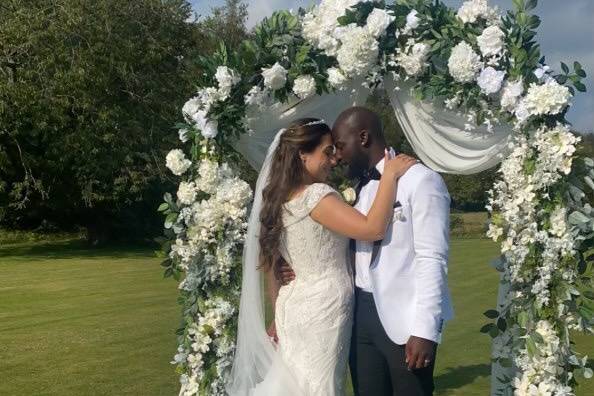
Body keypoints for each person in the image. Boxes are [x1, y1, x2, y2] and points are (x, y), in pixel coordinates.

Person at [227, 117, 417, 396]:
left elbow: (272, 267)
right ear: (303, 155)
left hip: (292, 307)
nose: (334, 159)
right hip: (324, 308)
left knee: (298, 384)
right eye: (327, 152)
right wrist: (389, 175)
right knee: (320, 387)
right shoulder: (316, 195)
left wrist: (278, 314)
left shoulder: (279, 200)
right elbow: (372, 228)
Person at [278, 107, 454, 395]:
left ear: (363, 137)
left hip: (405, 319)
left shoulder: (420, 179)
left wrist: (425, 330)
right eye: (331, 150)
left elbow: (432, 258)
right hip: (358, 317)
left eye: (340, 146)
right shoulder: (356, 187)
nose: (336, 157)